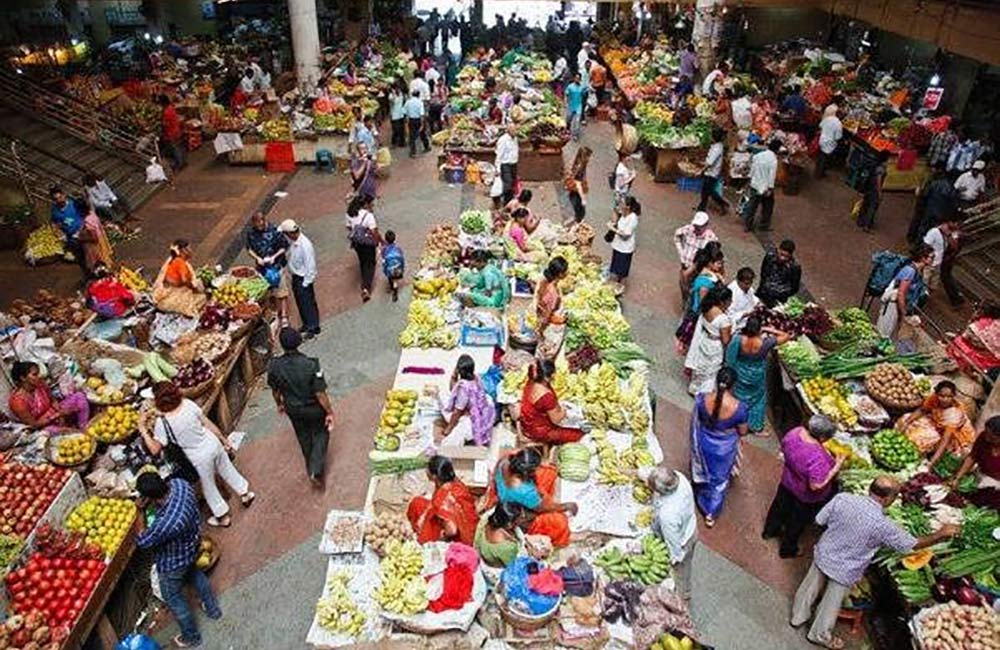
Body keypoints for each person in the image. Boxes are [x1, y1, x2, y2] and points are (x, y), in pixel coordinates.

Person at [791, 478, 959, 649]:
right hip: (845, 568)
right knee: (831, 604)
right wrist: (939, 534)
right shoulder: (883, 525)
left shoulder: (843, 498)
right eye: (895, 496)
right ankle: (818, 635)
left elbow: (819, 520)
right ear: (887, 499)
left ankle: (798, 616)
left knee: (809, 586)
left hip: (824, 553)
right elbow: (911, 545)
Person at [143, 381, 254, 527]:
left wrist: (142, 429)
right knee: (227, 469)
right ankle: (245, 493)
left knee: (208, 486)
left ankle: (223, 517)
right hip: (212, 442)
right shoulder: (187, 404)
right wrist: (222, 439)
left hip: (199, 456)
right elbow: (206, 422)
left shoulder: (162, 423)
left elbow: (155, 449)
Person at [135, 473, 222, 648]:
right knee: (195, 574)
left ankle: (192, 637)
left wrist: (140, 511)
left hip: (173, 562)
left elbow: (142, 541)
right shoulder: (180, 483)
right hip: (192, 544)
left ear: (150, 498)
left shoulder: (167, 522)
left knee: (173, 598)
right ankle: (213, 609)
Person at [763, 416, 843, 559]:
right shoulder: (817, 457)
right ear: (823, 437)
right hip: (804, 495)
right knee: (797, 522)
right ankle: (788, 549)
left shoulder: (795, 432)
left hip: (787, 482)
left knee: (779, 507)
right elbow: (816, 485)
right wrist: (835, 468)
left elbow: (784, 448)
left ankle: (770, 530)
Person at [267, 327, 336, 486]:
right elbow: (320, 393)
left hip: (293, 408)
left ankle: (310, 466)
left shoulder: (274, 366)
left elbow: (275, 391)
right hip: (313, 408)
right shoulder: (312, 364)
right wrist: (329, 412)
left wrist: (279, 404)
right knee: (321, 433)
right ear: (299, 341)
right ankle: (316, 470)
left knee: (303, 436)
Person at [483, 447, 578, 547]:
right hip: (518, 509)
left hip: (505, 494)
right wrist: (566, 506)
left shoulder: (505, 460)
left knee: (548, 472)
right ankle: (560, 540)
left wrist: (541, 463)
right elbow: (545, 508)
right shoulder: (526, 492)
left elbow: (518, 452)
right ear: (528, 473)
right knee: (559, 521)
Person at [689, 367, 748, 526]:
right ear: (733, 385)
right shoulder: (740, 408)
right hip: (724, 449)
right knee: (719, 480)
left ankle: (699, 494)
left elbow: (698, 419)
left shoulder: (702, 399)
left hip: (702, 441)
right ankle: (710, 513)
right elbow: (743, 431)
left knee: (702, 469)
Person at [639, 466, 697, 600]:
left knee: (680, 571)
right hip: (689, 525)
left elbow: (674, 546)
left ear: (659, 492)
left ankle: (682, 596)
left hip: (683, 541)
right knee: (685, 566)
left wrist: (672, 560)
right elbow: (649, 474)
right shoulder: (678, 478)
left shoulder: (669, 515)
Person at [725, 316, 791, 435]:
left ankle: (735, 420)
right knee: (757, 400)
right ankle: (755, 426)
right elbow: (786, 336)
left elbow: (730, 359)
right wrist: (770, 329)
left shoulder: (738, 339)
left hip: (740, 372)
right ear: (759, 329)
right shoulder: (766, 343)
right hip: (756, 375)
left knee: (738, 396)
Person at [407, 455, 478, 545]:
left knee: (417, 506)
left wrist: (441, 536)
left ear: (434, 476)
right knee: (418, 502)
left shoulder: (442, 498)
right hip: (472, 530)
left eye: (427, 469)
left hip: (460, 540)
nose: (426, 471)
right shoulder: (457, 483)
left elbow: (452, 530)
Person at [897, 380, 976, 461]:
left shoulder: (954, 413)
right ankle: (902, 441)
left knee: (921, 438)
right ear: (937, 394)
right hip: (937, 422)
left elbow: (946, 439)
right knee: (905, 418)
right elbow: (922, 410)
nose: (945, 399)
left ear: (954, 396)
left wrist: (932, 462)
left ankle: (917, 452)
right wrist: (907, 422)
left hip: (953, 435)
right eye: (942, 396)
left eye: (949, 397)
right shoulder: (934, 398)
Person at [8, 361, 90, 431]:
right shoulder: (18, 402)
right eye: (35, 375)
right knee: (58, 432)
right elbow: (34, 425)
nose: (39, 376)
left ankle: (83, 427)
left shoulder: (40, 384)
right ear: (23, 378)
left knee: (79, 396)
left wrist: (59, 411)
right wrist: (56, 416)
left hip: (54, 412)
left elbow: (53, 400)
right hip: (43, 426)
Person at [519, 359, 583, 445]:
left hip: (529, 422)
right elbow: (556, 420)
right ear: (547, 377)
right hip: (540, 430)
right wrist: (563, 410)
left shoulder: (532, 382)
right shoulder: (546, 396)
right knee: (581, 435)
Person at [876, 244, 933, 340]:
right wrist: (904, 313)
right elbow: (901, 293)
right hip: (893, 305)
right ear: (923, 258)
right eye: (931, 257)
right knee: (883, 334)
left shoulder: (919, 271)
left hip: (900, 306)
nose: (933, 260)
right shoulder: (910, 271)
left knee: (889, 335)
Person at [437, 354, 496, 447]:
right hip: (484, 412)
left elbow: (457, 412)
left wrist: (448, 429)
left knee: (448, 444)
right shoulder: (476, 378)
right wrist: (454, 377)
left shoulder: (464, 389)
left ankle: (469, 437)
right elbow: (453, 390)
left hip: (472, 420)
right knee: (445, 395)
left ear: (459, 370)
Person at [685, 286, 734, 396]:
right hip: (715, 346)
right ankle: (703, 393)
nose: (731, 302)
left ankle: (694, 387)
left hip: (704, 340)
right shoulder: (723, 319)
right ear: (722, 301)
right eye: (729, 300)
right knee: (711, 372)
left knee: (701, 365)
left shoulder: (707, 307)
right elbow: (726, 341)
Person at [278, 219, 321, 338]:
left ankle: (313, 327)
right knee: (301, 303)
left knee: (307, 303)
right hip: (296, 277)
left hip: (303, 278)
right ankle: (307, 324)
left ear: (290, 233)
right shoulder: (292, 241)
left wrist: (306, 283)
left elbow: (310, 266)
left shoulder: (305, 245)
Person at [246, 211, 290, 324]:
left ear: (264, 221)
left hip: (277, 265)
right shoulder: (251, 233)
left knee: (282, 291)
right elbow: (249, 249)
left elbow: (284, 247)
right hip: (262, 268)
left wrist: (274, 257)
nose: (259, 228)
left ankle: (284, 315)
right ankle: (274, 312)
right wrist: (257, 258)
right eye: (256, 226)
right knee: (268, 292)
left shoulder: (275, 230)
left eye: (261, 225)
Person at [949, 416, 1000, 509]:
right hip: (982, 476)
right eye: (986, 433)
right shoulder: (983, 438)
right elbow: (972, 457)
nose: (987, 437)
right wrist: (958, 477)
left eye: (991, 437)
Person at [153, 239, 207, 318]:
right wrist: (194, 287)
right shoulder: (179, 262)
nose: (191, 251)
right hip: (174, 297)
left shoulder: (174, 260)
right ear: (183, 251)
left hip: (169, 294)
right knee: (204, 298)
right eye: (188, 249)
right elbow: (184, 280)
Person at [674, 211, 719, 301]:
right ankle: (685, 301)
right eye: (696, 226)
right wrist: (681, 251)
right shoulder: (688, 229)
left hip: (698, 269)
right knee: (683, 285)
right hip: (685, 264)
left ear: (706, 225)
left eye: (700, 227)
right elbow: (677, 235)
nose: (696, 228)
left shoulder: (711, 238)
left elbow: (714, 255)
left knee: (694, 290)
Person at [345, 195, 382, 303]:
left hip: (357, 243)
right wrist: (378, 242)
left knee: (362, 261)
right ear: (365, 204)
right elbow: (374, 232)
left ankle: (364, 282)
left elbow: (348, 227)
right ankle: (366, 288)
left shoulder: (349, 213)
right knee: (370, 263)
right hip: (367, 243)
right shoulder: (368, 216)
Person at [909, 163, 957, 243]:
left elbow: (925, 195)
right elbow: (952, 203)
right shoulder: (951, 189)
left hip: (929, 210)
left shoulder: (935, 183)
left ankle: (918, 243)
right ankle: (925, 244)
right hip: (940, 214)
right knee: (933, 230)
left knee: (923, 227)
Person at [922, 219, 964, 305]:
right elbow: (926, 244)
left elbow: (954, 247)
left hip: (938, 263)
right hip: (930, 262)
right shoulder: (934, 232)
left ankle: (925, 299)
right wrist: (928, 257)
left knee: (933, 285)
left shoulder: (949, 235)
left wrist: (949, 236)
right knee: (924, 282)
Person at [474, 501, 524, 568]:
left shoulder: (485, 520)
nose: (524, 516)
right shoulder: (507, 547)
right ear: (509, 525)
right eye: (520, 517)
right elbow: (512, 567)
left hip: (485, 557)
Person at [744, 140, 780, 232]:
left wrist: (750, 179)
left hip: (755, 184)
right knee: (768, 207)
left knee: (752, 206)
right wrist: (770, 188)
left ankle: (748, 225)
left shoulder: (758, 156)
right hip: (765, 187)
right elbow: (772, 176)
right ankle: (764, 225)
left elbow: (752, 169)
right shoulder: (773, 160)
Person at [49, 187, 87, 272]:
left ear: (64, 195)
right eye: (56, 199)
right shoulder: (54, 211)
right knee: (79, 257)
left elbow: (85, 217)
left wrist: (79, 232)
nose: (59, 201)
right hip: (70, 237)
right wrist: (58, 234)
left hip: (83, 233)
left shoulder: (74, 204)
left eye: (60, 197)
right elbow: (54, 223)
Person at [757, 240, 802, 308]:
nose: (782, 258)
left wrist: (782, 293)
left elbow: (794, 287)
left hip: (778, 298)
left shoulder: (794, 267)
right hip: (763, 292)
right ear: (778, 250)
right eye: (781, 254)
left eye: (786, 256)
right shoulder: (769, 257)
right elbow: (763, 273)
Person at [608, 196, 640, 284]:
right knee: (615, 266)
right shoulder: (623, 213)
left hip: (625, 248)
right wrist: (615, 211)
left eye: (622, 203)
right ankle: (614, 284)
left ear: (628, 207)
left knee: (622, 270)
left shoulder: (633, 218)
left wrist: (613, 229)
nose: (620, 205)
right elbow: (614, 219)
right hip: (617, 245)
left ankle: (620, 286)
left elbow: (626, 235)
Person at [697, 127, 730, 213]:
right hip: (711, 172)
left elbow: (710, 162)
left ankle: (722, 204)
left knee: (708, 191)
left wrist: (702, 170)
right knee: (707, 191)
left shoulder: (717, 148)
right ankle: (701, 207)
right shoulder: (717, 146)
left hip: (712, 173)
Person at [535, 256, 568, 338]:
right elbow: (547, 315)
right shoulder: (553, 293)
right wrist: (541, 331)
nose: (568, 273)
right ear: (560, 274)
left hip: (540, 317)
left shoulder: (544, 281)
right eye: (566, 271)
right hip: (547, 326)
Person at [857, 151, 889, 232]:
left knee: (865, 204)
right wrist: (879, 192)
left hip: (868, 187)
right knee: (872, 207)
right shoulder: (881, 168)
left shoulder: (874, 164)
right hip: (874, 189)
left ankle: (860, 221)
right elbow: (878, 180)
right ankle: (867, 225)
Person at [564, 146, 591, 225]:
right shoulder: (580, 168)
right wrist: (583, 198)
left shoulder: (577, 163)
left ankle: (574, 221)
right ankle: (576, 226)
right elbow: (578, 183)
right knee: (580, 212)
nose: (589, 159)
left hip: (573, 191)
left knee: (577, 210)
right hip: (577, 192)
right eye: (588, 156)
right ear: (584, 157)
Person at [158, 94, 185, 171]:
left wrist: (161, 124)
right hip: (176, 130)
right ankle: (182, 162)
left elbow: (166, 124)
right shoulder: (171, 107)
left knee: (176, 149)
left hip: (171, 132)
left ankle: (180, 164)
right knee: (179, 147)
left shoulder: (166, 112)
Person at [816, 104, 843, 178]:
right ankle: (820, 173)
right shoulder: (839, 124)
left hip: (822, 140)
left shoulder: (828, 118)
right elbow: (838, 137)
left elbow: (820, 126)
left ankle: (817, 171)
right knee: (825, 159)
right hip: (830, 144)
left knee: (821, 157)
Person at [495, 123, 520, 204]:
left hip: (513, 164)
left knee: (513, 182)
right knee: (508, 183)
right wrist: (498, 168)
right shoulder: (503, 140)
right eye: (514, 130)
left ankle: (510, 199)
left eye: (516, 130)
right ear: (509, 131)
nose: (516, 132)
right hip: (505, 164)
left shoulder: (515, 138)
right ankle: (503, 200)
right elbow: (499, 155)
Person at [404, 90, 430, 158]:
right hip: (418, 120)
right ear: (418, 95)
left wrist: (406, 121)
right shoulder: (420, 102)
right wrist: (422, 124)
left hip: (411, 120)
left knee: (411, 136)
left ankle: (413, 152)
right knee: (422, 134)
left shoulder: (408, 102)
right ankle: (426, 147)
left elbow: (405, 112)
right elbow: (422, 114)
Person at [381, 230, 405, 302]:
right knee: (395, 280)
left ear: (386, 239)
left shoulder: (385, 249)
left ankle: (392, 286)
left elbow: (383, 257)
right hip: (398, 267)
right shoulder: (398, 248)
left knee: (391, 278)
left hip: (389, 268)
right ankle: (395, 290)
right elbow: (402, 257)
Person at [565, 73, 585, 141]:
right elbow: (566, 95)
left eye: (579, 78)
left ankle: (575, 134)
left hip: (578, 106)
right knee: (569, 119)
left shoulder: (582, 87)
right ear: (574, 78)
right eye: (576, 78)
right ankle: (567, 128)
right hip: (571, 105)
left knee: (577, 121)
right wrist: (566, 103)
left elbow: (584, 95)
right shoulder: (570, 87)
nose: (577, 79)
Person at [388, 82, 407, 148]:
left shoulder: (401, 94)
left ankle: (402, 142)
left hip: (401, 113)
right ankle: (394, 142)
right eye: (396, 88)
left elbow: (403, 102)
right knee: (396, 130)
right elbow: (391, 103)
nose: (398, 89)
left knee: (402, 129)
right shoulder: (391, 96)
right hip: (394, 115)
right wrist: (393, 94)